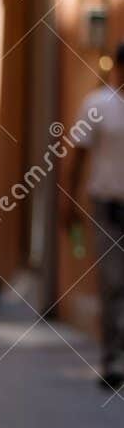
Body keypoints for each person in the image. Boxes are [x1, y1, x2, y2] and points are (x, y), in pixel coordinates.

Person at [65, 42, 124, 389]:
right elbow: (78, 155)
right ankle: (112, 360)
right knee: (112, 282)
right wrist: (68, 201)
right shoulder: (98, 105)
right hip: (108, 207)